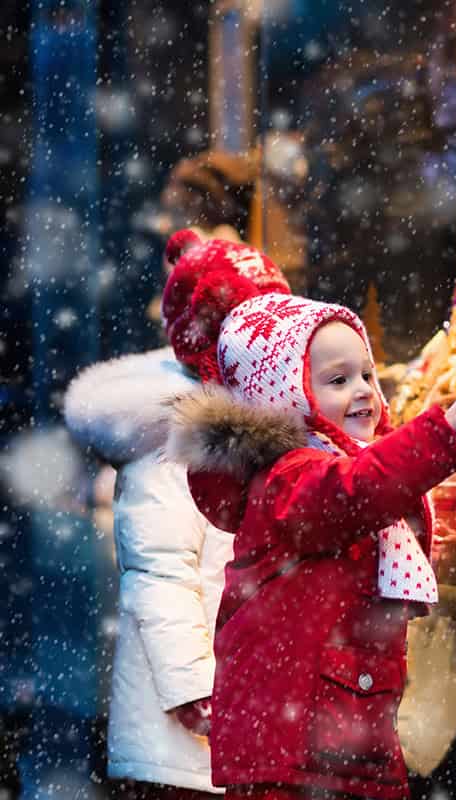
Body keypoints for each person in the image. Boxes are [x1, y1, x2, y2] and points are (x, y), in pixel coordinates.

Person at [164, 256, 456, 800]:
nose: (366, 390)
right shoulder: (291, 477)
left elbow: (374, 495)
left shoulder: (334, 471)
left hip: (336, 725)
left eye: (367, 374)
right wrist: (446, 429)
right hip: (297, 740)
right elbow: (358, 491)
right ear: (286, 396)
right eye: (339, 380)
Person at [62, 230, 292, 799]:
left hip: (238, 697)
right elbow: (159, 574)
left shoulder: (249, 423)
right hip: (189, 722)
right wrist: (194, 688)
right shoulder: (175, 437)